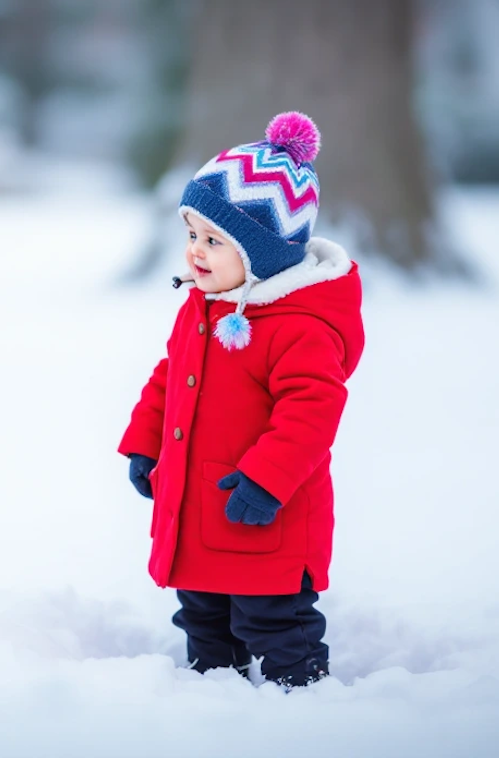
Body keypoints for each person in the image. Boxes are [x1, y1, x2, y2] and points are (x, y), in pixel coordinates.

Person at [118, 112, 365, 687]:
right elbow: (169, 376)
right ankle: (214, 692)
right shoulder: (202, 307)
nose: (195, 253)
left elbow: (312, 411)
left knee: (273, 617)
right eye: (191, 235)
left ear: (263, 252)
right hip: (198, 505)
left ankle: (300, 692)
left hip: (262, 510)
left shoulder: (298, 326)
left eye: (214, 241)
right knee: (202, 612)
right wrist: (145, 443)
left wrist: (268, 478)